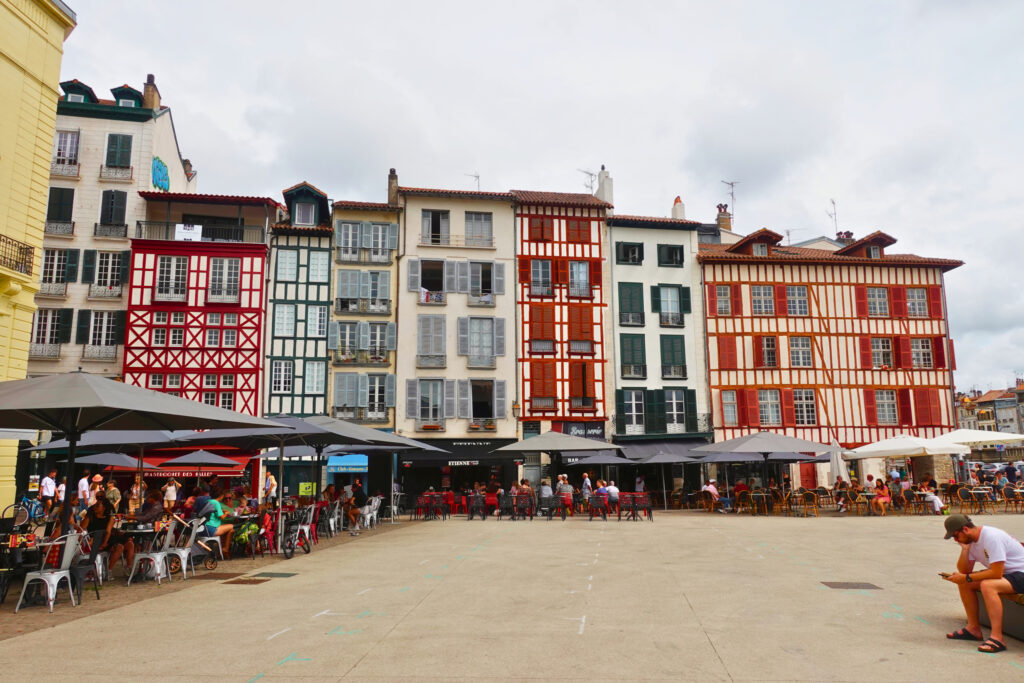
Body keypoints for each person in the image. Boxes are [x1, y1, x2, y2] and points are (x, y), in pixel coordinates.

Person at [943, 514, 1024, 653]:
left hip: (1020, 572)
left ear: (965, 529)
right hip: (1009, 574)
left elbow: (996, 573)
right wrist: (965, 549)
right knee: (965, 582)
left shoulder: (991, 537)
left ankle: (997, 638)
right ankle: (973, 629)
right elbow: (964, 570)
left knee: (988, 585)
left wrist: (967, 577)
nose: (956, 540)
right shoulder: (972, 541)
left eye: (956, 536)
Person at [202, 486, 235, 559]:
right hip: (212, 528)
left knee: (229, 530)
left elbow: (214, 511)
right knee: (232, 526)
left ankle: (223, 550)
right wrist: (226, 513)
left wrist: (222, 510)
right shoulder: (216, 503)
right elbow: (222, 517)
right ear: (221, 496)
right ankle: (225, 549)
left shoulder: (208, 501)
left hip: (204, 527)